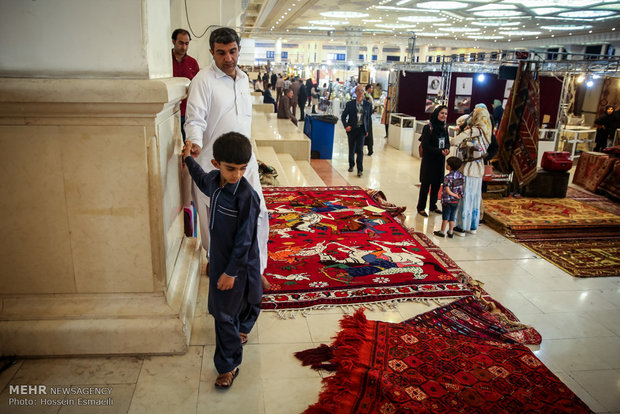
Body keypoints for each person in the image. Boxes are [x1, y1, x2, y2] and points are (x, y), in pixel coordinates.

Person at [184, 27, 269, 284]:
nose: (228, 58)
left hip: (246, 162)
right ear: (212, 52)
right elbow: (195, 119)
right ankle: (216, 261)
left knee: (258, 212)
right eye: (221, 53)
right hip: (214, 163)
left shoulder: (244, 79)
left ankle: (257, 269)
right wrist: (195, 142)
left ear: (239, 50)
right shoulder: (203, 80)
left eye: (232, 51)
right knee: (215, 221)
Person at [182, 132, 261, 389]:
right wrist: (187, 160)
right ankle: (242, 327)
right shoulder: (215, 182)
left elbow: (245, 239)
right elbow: (200, 179)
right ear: (216, 164)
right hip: (219, 259)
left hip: (236, 263)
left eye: (242, 169)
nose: (237, 175)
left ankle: (229, 364)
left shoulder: (246, 196)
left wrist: (230, 272)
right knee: (233, 305)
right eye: (230, 169)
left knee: (223, 315)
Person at [450, 106, 492, 236]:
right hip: (479, 169)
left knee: (464, 197)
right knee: (475, 197)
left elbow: (454, 141)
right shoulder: (487, 133)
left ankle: (461, 227)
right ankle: (473, 226)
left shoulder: (472, 131)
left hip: (467, 168)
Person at [416, 105, 450, 217]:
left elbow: (447, 142)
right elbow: (425, 146)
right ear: (436, 114)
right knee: (426, 184)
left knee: (436, 184)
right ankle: (421, 207)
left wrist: (446, 149)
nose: (444, 115)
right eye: (442, 113)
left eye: (445, 113)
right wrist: (439, 151)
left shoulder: (444, 128)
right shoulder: (428, 127)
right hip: (429, 160)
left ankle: (433, 206)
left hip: (440, 160)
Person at [171, 28, 199, 142]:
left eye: (187, 43)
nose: (184, 47)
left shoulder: (192, 63)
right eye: (181, 43)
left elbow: (198, 87)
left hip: (188, 112)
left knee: (187, 143)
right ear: (173, 41)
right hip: (168, 113)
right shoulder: (164, 61)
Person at [341, 85, 373, 177]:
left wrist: (367, 130)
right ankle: (351, 165)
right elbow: (343, 116)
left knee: (360, 150)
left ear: (364, 93)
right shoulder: (350, 104)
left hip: (361, 130)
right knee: (351, 148)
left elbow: (367, 118)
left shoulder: (367, 105)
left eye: (362, 91)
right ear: (355, 92)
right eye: (358, 91)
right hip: (352, 129)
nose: (360, 93)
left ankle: (360, 169)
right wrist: (346, 126)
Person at [433, 157, 464, 238]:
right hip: (456, 201)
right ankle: (450, 231)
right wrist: (458, 196)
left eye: (447, 164)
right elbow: (461, 188)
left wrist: (453, 195)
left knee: (445, 216)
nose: (446, 165)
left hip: (447, 200)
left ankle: (442, 231)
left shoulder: (447, 177)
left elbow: (447, 190)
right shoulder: (461, 176)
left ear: (449, 167)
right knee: (452, 216)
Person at [364, 84, 375, 155]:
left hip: (367, 116)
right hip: (366, 117)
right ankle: (370, 150)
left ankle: (370, 149)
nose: (372, 89)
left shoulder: (368, 95)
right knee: (367, 133)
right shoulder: (366, 95)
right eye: (371, 88)